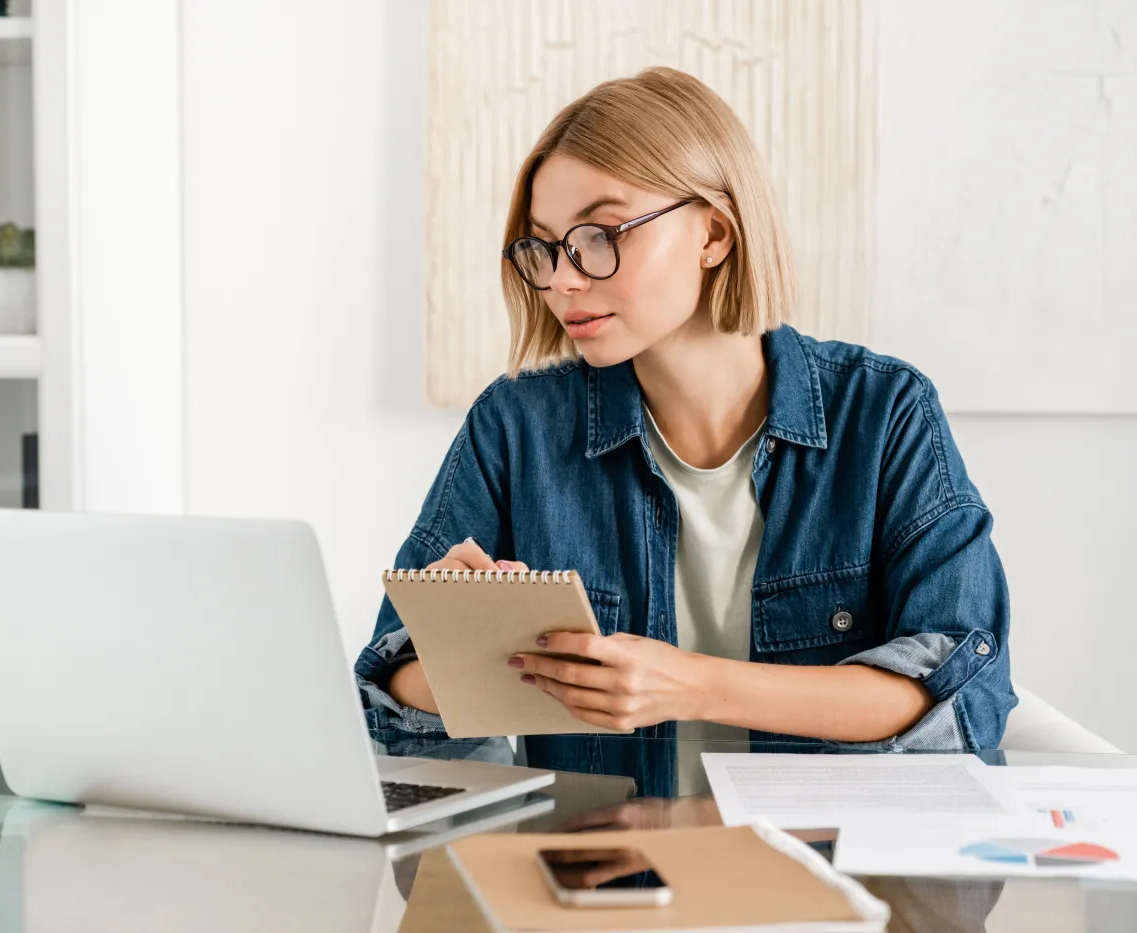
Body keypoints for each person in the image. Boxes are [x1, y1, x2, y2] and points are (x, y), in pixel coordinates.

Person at [354, 66, 1015, 798]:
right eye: (545, 248)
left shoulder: (884, 413)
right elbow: (387, 694)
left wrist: (689, 685)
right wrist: (472, 647)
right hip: (600, 895)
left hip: (823, 890)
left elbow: (962, 693)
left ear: (715, 233)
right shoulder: (516, 427)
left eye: (600, 235)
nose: (564, 281)